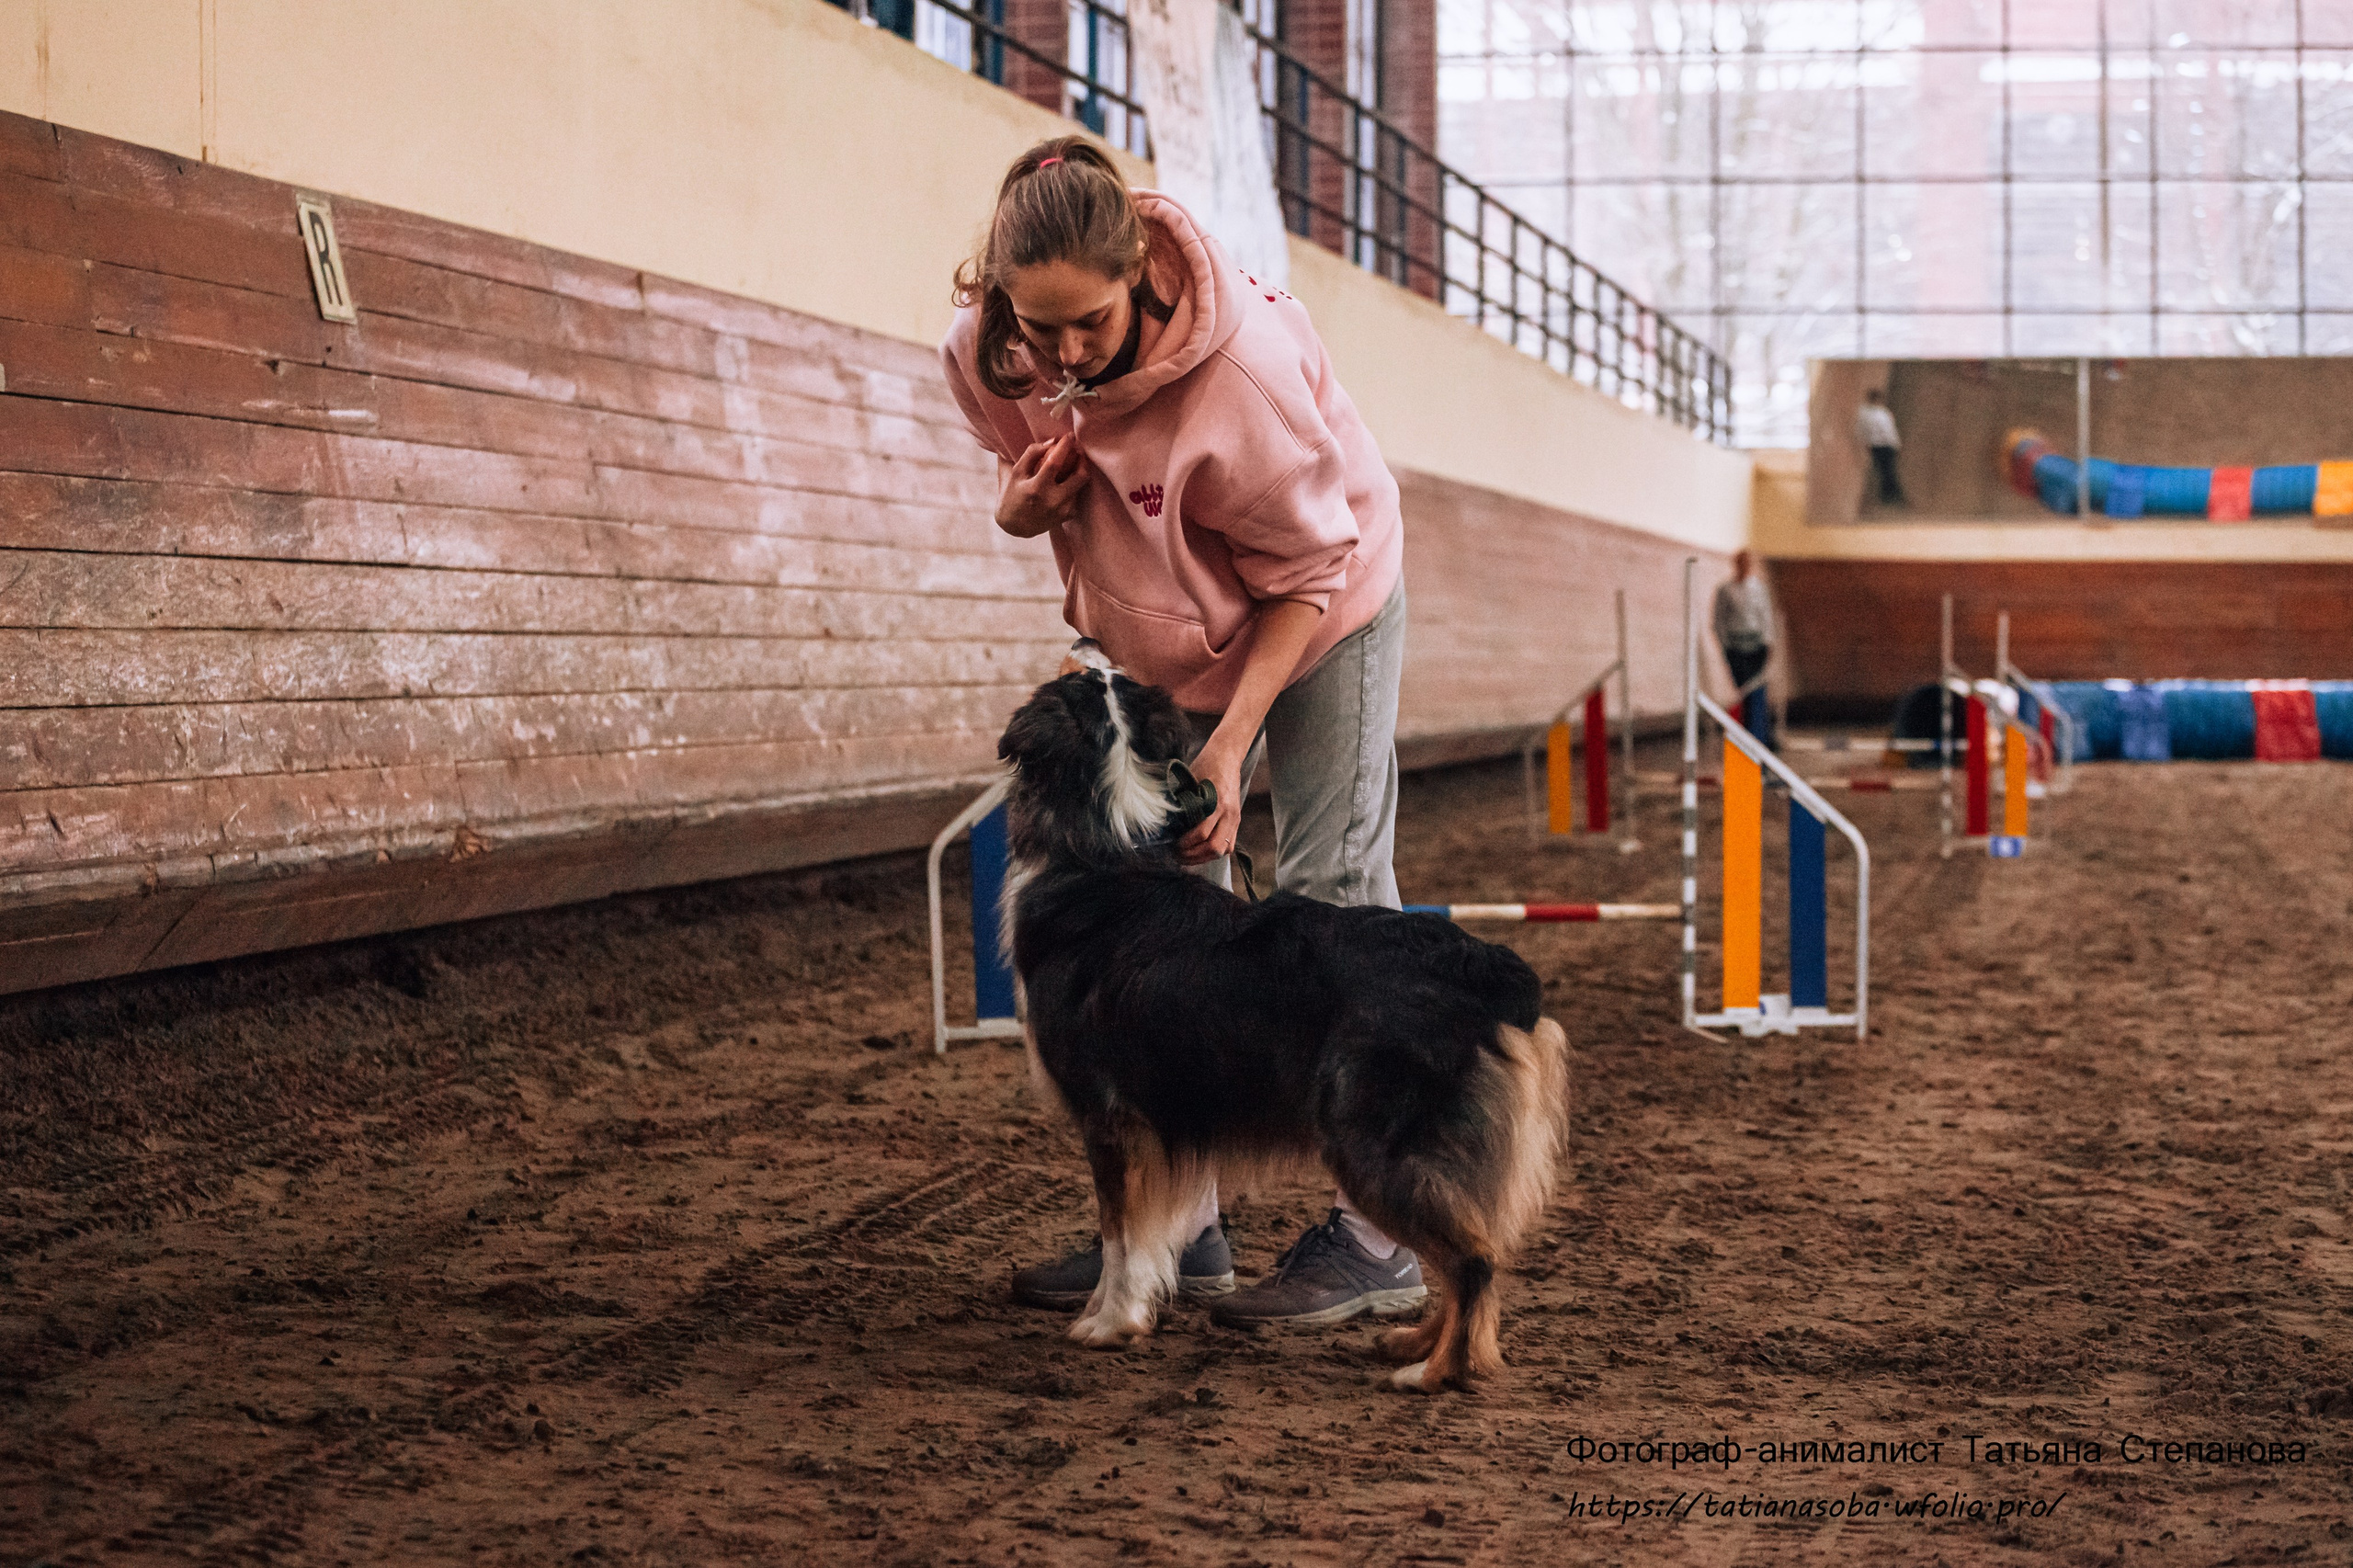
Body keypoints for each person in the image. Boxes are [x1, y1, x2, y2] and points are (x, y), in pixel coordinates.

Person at [940, 137, 1423, 1330]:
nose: (1062, 355)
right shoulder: (985, 355)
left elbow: (1306, 574)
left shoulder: (1239, 375)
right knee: (1159, 918)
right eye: (1037, 326)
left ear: (1141, 275)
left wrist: (1226, 751)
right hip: (1165, 627)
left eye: (1089, 325)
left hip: (1319, 608)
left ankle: (1382, 1236)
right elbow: (1039, 479)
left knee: (1327, 887)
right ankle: (1179, 1224)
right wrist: (1016, 514)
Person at [1711, 551, 1776, 747]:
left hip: (1756, 647)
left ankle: (1759, 738)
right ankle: (1745, 737)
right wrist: (1725, 645)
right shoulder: (1725, 590)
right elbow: (1719, 619)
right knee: (1743, 693)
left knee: (1757, 693)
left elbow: (1766, 616)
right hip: (1736, 647)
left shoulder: (1759, 588)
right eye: (1741, 563)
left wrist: (1768, 643)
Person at [1857, 387, 1905, 506]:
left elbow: (1860, 429)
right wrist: (1896, 444)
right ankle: (1893, 495)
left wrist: (1865, 442)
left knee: (1884, 470)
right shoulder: (1882, 414)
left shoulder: (1864, 412)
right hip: (1885, 445)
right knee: (1888, 470)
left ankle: (1888, 495)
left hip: (1876, 446)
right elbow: (1889, 431)